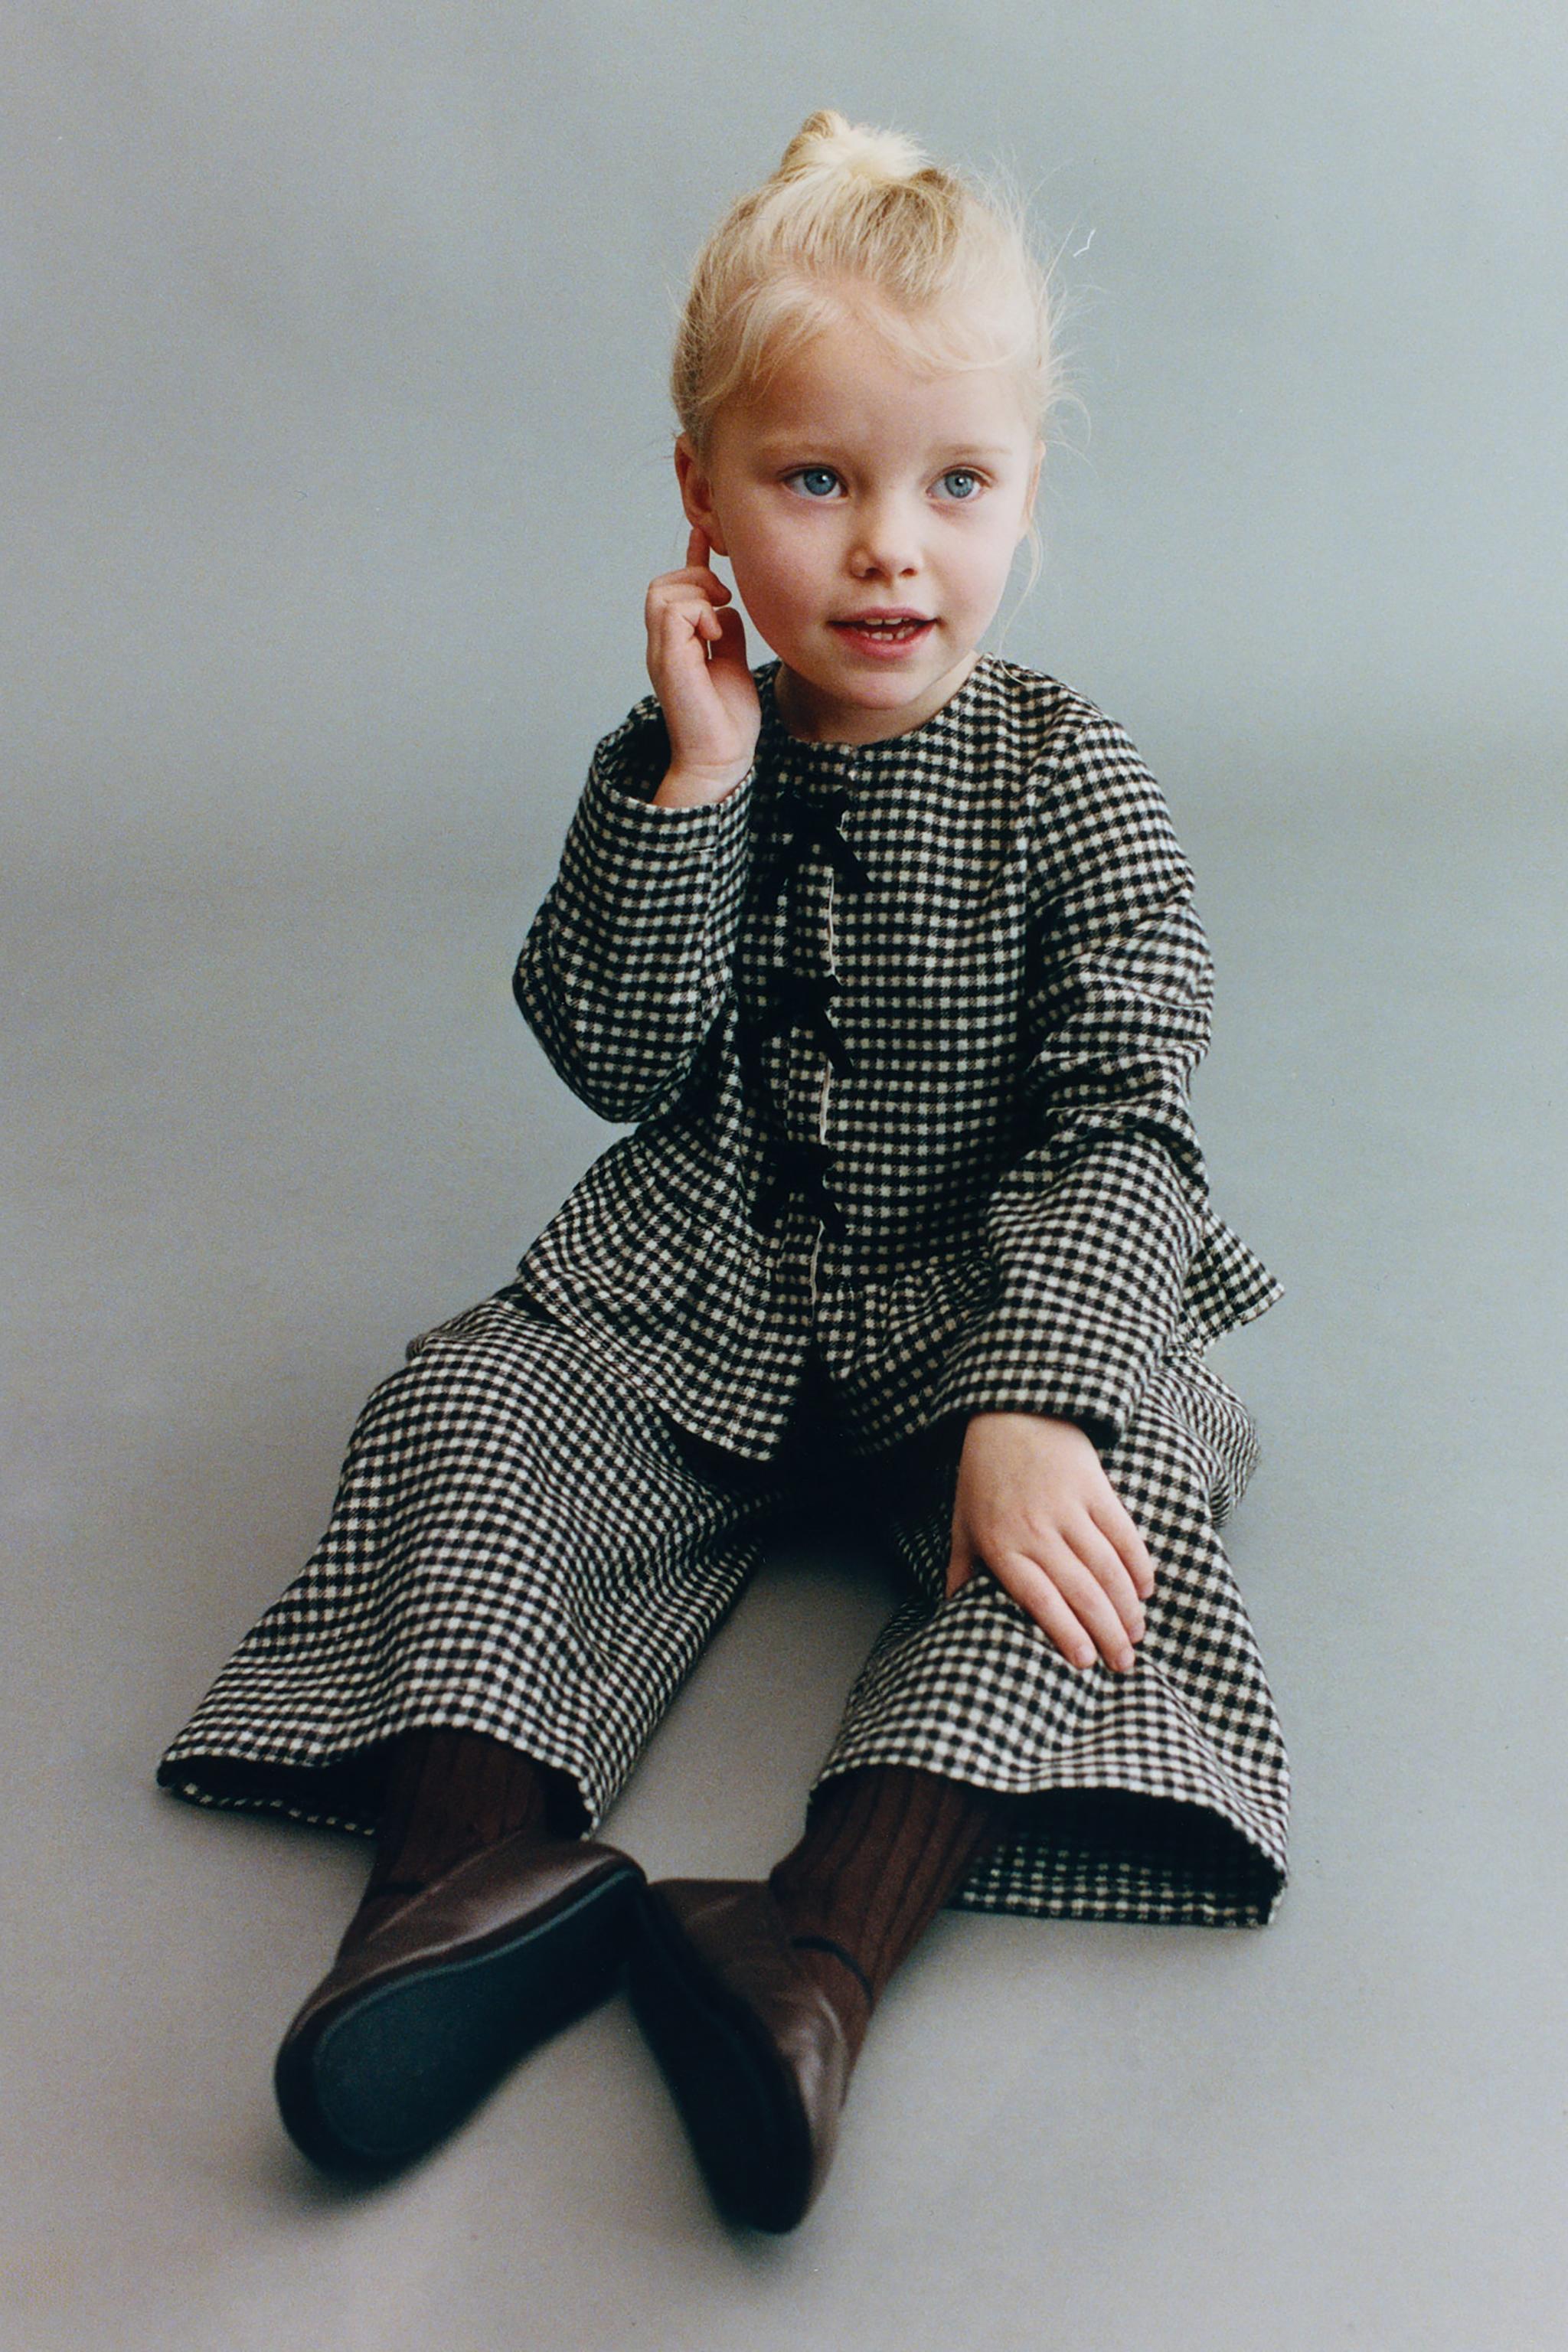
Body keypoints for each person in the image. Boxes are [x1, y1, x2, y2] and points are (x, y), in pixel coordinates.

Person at [157, 108, 1289, 2233]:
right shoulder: (696, 755)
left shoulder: (1074, 783)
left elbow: (1131, 1111)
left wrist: (1038, 1404)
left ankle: (816, 1947)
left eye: (957, 484)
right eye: (816, 482)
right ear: (702, 501)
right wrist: (694, 774)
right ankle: (461, 1867)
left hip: (983, 1293)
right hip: (701, 1287)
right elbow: (606, 1049)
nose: (890, 550)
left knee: (1116, 1524)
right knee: (469, 1402)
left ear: (1027, 493)